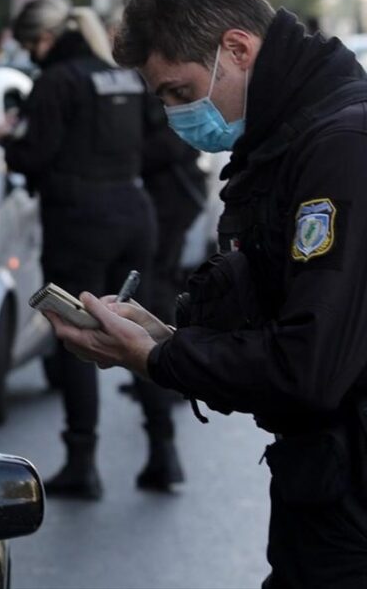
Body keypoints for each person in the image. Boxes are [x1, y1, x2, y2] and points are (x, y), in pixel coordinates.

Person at [46, 0, 367, 587]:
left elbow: (310, 367)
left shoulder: (356, 147)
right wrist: (165, 338)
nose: (175, 115)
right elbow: (287, 325)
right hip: (341, 497)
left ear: (238, 48)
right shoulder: (301, 140)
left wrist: (158, 359)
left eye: (180, 91)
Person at [0, 0, 162, 500]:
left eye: (29, 45)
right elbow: (158, 141)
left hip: (78, 220)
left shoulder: (57, 81)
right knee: (143, 331)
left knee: (76, 335)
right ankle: (163, 451)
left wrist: (5, 140)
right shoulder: (123, 76)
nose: (31, 54)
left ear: (44, 38)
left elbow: (34, 156)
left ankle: (82, 463)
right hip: (133, 210)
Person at [129, 125, 207, 491]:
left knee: (143, 312)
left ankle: (162, 444)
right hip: (157, 201)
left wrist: (119, 157)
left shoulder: (156, 104)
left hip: (159, 202)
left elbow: (171, 143)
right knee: (146, 306)